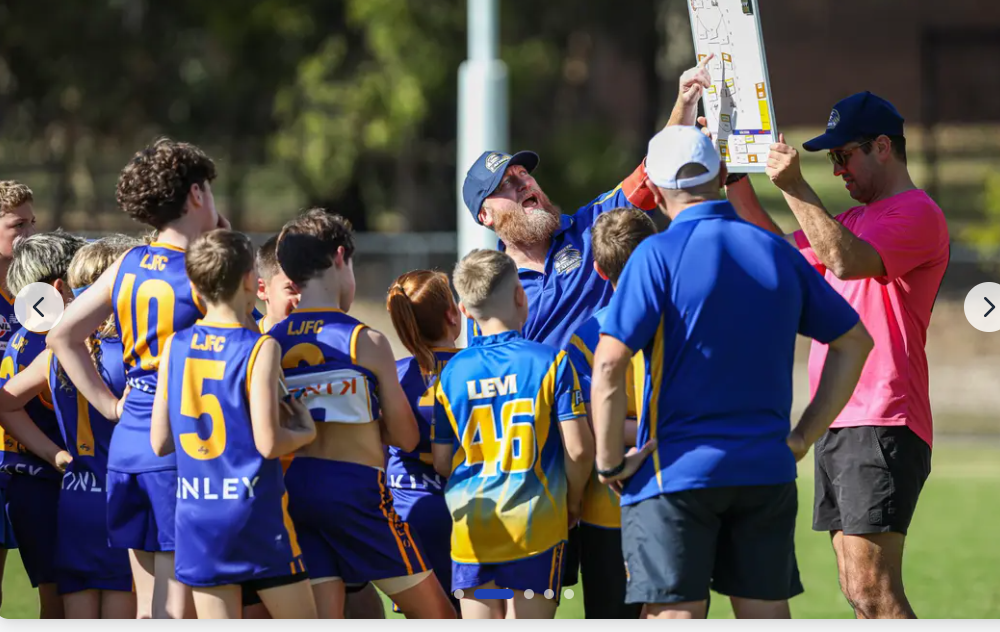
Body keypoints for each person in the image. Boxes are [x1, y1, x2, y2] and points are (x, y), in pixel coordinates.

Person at [590, 125, 874, 619]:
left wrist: (610, 462)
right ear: (722, 174)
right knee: (765, 613)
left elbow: (611, 361)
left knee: (674, 614)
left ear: (653, 194)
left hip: (674, 472)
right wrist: (803, 437)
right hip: (765, 470)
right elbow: (854, 341)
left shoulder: (654, 256)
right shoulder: (777, 251)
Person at [727, 92, 950, 619]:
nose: (837, 169)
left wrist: (795, 185)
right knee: (858, 592)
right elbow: (775, 252)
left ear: (881, 147)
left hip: (883, 414)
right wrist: (734, 174)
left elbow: (845, 264)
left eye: (843, 156)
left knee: (875, 592)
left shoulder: (918, 212)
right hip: (841, 417)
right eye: (830, 160)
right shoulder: (850, 219)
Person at [47, 137, 230, 619]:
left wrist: (110, 405)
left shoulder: (128, 263)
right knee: (179, 608)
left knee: (148, 608)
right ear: (195, 195)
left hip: (128, 444)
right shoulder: (203, 274)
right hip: (180, 443)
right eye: (209, 190)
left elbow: (62, 336)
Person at [269, 208, 455, 619]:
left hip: (293, 492)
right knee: (441, 617)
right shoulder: (364, 341)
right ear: (340, 257)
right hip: (357, 495)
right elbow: (406, 438)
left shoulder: (270, 342)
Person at [148, 229, 317, 619]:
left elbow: (159, 442)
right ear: (248, 280)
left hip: (197, 517)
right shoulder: (259, 346)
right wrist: (306, 430)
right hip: (253, 514)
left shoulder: (175, 344)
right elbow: (268, 443)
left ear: (194, 283)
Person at [431, 249, 593, 620]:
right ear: (521, 296)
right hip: (537, 524)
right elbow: (580, 450)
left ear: (466, 311)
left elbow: (441, 460)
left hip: (473, 526)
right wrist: (574, 501)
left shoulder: (451, 374)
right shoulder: (552, 362)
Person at [0, 236, 139, 618]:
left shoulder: (52, 352)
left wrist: (57, 455)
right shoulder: (130, 354)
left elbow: (5, 401)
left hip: (75, 495)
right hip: (121, 493)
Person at [563, 208, 655, 619]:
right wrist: (661, 433)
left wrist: (625, 431)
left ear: (599, 270)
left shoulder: (586, 337)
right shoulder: (689, 319)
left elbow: (591, 426)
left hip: (607, 508)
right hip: (678, 493)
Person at [1, 231, 86, 618]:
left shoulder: (28, 332)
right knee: (62, 606)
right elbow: (8, 405)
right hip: (44, 484)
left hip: (36, 482)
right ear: (59, 287)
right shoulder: (47, 340)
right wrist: (58, 456)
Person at [385, 270, 464, 611]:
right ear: (452, 314)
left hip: (409, 513)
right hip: (468, 513)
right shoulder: (477, 367)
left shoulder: (392, 376)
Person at [0, 180, 36, 606]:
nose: (29, 234)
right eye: (17, 225)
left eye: (33, 223)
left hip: (31, 461)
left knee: (57, 584)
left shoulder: (39, 295)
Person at [255, 235, 300, 333]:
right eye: (291, 289)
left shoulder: (326, 339)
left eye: (308, 289)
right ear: (262, 289)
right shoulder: (245, 341)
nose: (301, 298)